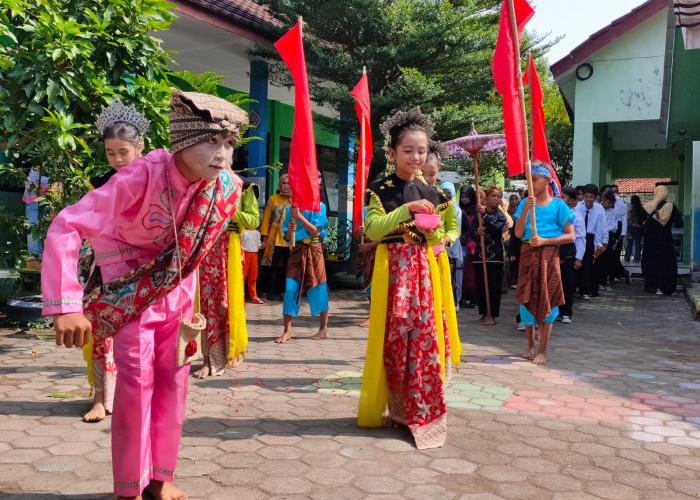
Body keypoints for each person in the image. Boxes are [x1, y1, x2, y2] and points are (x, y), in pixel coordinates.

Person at [42, 89, 247, 500]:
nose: (222, 155)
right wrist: (65, 304)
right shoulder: (140, 176)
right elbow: (67, 225)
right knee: (135, 385)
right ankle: (130, 488)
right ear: (182, 141)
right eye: (211, 141)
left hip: (179, 293)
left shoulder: (223, 188)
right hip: (131, 290)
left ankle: (160, 478)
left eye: (228, 144)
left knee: (175, 381)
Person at [357, 108, 462, 449]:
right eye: (408, 150)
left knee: (423, 340)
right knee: (394, 340)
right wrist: (407, 212)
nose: (416, 157)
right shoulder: (379, 190)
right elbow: (372, 229)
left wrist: (437, 236)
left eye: (421, 151)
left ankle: (422, 410)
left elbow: (437, 237)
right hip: (393, 271)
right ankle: (397, 410)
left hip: (423, 270)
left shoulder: (435, 193)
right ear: (392, 153)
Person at [81, 97, 150, 423]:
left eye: (124, 152)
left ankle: (137, 393)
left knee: (139, 337)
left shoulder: (154, 181)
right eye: (111, 153)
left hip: (143, 270)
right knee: (100, 333)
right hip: (106, 269)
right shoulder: (100, 185)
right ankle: (100, 397)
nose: (118, 159)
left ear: (140, 147)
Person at [195, 178, 260, 379]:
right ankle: (207, 358)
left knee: (224, 302)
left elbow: (253, 220)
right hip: (205, 247)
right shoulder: (202, 181)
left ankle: (222, 356)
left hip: (227, 250)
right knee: (204, 303)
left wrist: (229, 210)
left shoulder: (243, 187)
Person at [513, 161, 574, 365]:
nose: (531, 183)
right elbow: (518, 233)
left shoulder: (559, 205)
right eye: (528, 179)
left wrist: (546, 241)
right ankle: (530, 345)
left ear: (547, 180)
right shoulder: (524, 203)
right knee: (525, 297)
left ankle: (543, 350)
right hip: (528, 252)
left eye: (535, 179)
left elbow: (570, 236)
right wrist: (525, 210)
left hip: (549, 256)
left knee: (549, 299)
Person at [276, 196, 330, 343]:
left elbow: (315, 232)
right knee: (290, 289)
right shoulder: (290, 209)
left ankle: (323, 328)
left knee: (319, 285)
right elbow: (287, 236)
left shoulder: (319, 206)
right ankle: (287, 331)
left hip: (314, 248)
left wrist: (299, 216)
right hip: (297, 250)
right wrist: (290, 230)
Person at [471, 186, 506, 325]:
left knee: (493, 287)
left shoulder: (500, 216)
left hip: (495, 256)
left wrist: (484, 215)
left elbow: (494, 229)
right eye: (493, 196)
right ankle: (484, 312)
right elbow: (472, 235)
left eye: (498, 196)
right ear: (487, 197)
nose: (496, 199)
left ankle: (493, 315)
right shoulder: (477, 215)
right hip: (480, 255)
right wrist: (476, 233)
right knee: (481, 286)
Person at [642, 184, 683, 295]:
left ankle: (652, 286)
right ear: (665, 194)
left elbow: (640, 223)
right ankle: (666, 288)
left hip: (650, 240)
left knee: (651, 262)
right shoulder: (671, 206)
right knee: (666, 263)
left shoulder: (647, 207)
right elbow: (680, 223)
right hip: (665, 240)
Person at [259, 174, 292, 301]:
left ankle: (283, 291)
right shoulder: (273, 199)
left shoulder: (294, 201)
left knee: (287, 267)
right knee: (269, 265)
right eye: (284, 183)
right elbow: (266, 220)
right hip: (274, 238)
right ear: (280, 184)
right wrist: (264, 238)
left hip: (289, 239)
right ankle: (265, 291)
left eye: (289, 183)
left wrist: (293, 201)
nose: (286, 186)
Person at [574, 184, 607, 299]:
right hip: (578, 237)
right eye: (586, 197)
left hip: (590, 238)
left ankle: (585, 291)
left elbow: (601, 227)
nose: (588, 199)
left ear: (595, 197)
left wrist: (600, 243)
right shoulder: (577, 207)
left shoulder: (599, 209)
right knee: (577, 262)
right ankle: (575, 287)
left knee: (588, 265)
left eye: (591, 197)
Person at [559, 186, 586, 324]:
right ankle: (553, 311)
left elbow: (580, 239)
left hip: (569, 253)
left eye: (563, 197)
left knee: (567, 284)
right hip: (553, 253)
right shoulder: (553, 214)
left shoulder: (576, 218)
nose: (560, 199)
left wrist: (579, 258)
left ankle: (566, 312)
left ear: (572, 201)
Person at [439, 181, 463, 311]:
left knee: (452, 277)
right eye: (443, 192)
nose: (445, 195)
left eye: (448, 193)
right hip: (438, 248)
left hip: (451, 247)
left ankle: (454, 302)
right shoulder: (438, 205)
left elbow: (456, 230)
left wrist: (447, 246)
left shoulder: (455, 209)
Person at [22, 168, 50, 267]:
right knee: (33, 229)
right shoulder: (38, 167)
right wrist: (49, 189)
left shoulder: (54, 169)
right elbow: (32, 186)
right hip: (33, 203)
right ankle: (33, 259)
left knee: (43, 231)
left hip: (45, 203)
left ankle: (42, 259)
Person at [458, 185, 478, 308]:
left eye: (467, 197)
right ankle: (463, 297)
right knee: (463, 273)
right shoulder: (458, 209)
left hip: (473, 244)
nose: (465, 199)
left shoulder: (476, 210)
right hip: (461, 243)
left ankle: (474, 297)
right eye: (463, 197)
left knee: (472, 273)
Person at [241, 227, 264, 303]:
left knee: (253, 276)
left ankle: (253, 295)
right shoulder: (242, 231)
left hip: (254, 254)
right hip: (245, 254)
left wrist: (261, 245)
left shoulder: (257, 232)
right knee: (242, 276)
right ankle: (240, 296)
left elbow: (258, 244)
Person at [625, 194, 644, 264]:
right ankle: (636, 258)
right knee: (638, 244)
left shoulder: (630, 207)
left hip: (630, 228)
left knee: (629, 243)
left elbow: (627, 217)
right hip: (638, 228)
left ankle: (627, 258)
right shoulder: (641, 208)